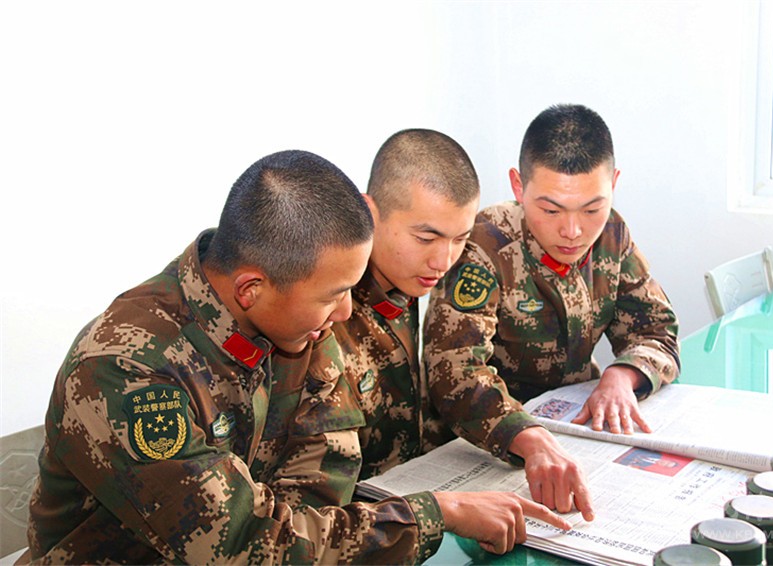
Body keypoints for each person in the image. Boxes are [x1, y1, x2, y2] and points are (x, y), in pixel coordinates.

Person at [25, 150, 570, 564]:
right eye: (334, 295)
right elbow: (239, 543)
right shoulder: (128, 368)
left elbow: (326, 470)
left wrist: (304, 539)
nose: (345, 313)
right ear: (251, 288)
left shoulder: (298, 323)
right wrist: (435, 513)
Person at [334, 129, 594, 523]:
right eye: (426, 238)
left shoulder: (402, 282)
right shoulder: (328, 305)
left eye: (460, 239)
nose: (443, 261)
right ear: (370, 213)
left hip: (410, 500)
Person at [424, 104, 680, 494]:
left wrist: (622, 376)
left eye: (592, 208)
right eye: (550, 209)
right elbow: (454, 372)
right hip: (490, 444)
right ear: (518, 186)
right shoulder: (484, 245)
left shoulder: (611, 233)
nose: (573, 231)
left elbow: (656, 329)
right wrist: (527, 437)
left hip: (575, 430)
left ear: (614, 183)